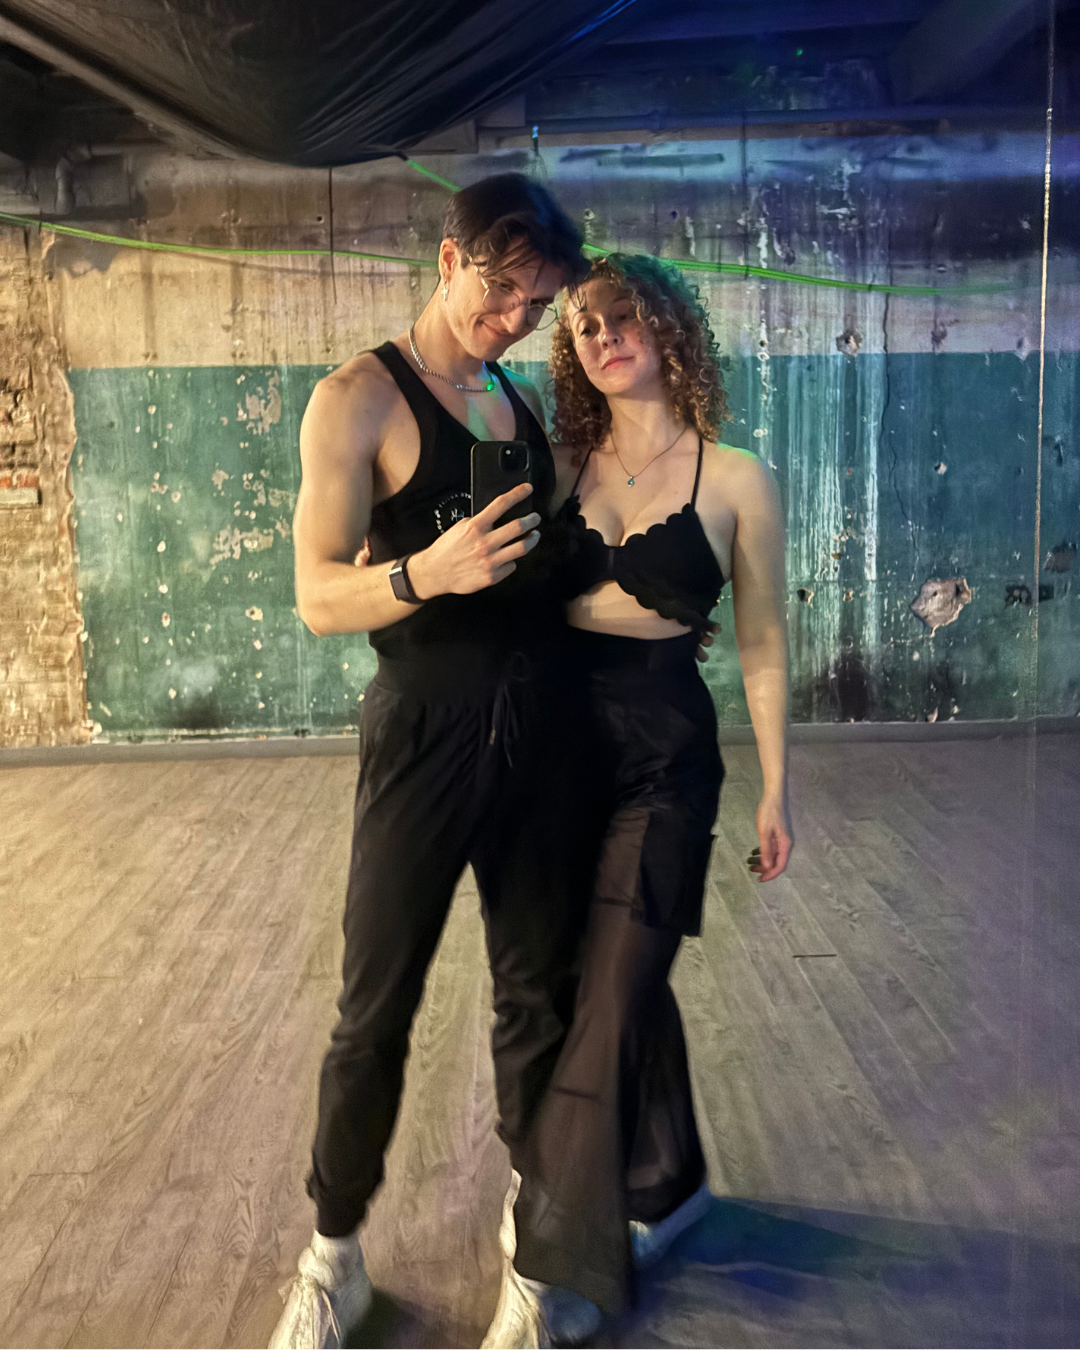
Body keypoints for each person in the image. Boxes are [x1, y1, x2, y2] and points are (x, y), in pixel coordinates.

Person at [269, 173, 593, 1350]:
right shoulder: (357, 399)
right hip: (422, 738)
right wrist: (421, 574)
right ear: (449, 256)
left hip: (542, 742)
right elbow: (313, 595)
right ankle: (332, 1260)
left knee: (537, 1004)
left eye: (534, 304)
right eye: (499, 290)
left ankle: (536, 1251)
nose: (512, 318)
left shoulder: (517, 400)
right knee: (374, 1011)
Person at [481, 252, 793, 1347]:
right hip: (558, 753)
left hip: (667, 753)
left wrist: (775, 791)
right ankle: (673, 1179)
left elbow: (759, 641)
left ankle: (555, 1265)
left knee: (617, 992)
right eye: (579, 327)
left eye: (618, 316)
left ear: (665, 325)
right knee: (590, 982)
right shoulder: (559, 462)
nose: (598, 336)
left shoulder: (737, 477)